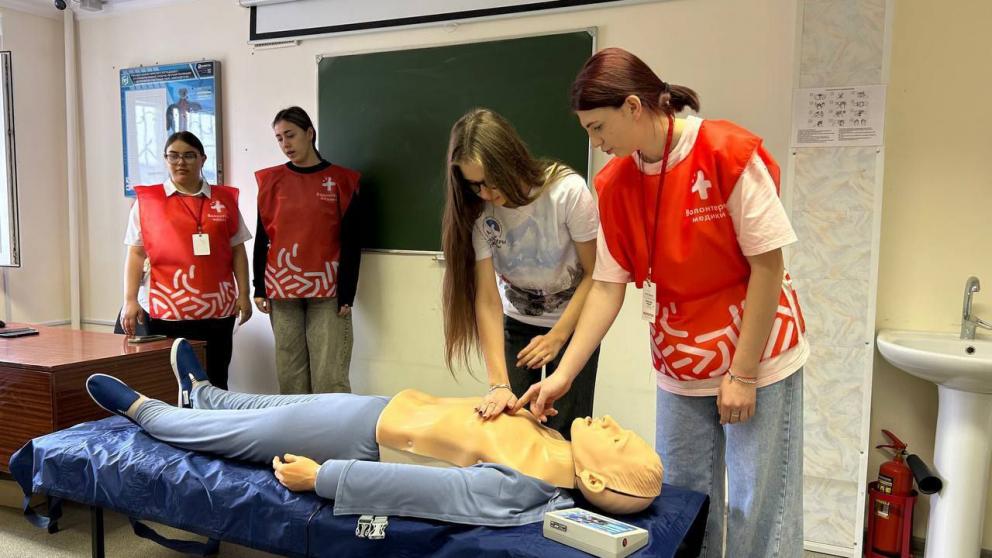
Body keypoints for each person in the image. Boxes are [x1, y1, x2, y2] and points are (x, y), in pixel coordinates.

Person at [512, 48, 808, 556]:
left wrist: (742, 374)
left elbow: (768, 266)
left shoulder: (727, 153)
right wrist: (562, 375)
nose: (596, 144)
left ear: (633, 107)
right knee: (685, 500)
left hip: (756, 352)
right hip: (681, 359)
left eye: (598, 128)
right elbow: (607, 286)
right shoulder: (616, 184)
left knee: (758, 501)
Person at [82, 339, 663, 526]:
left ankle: (148, 412)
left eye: (617, 439)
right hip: (385, 408)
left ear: (592, 478)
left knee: (241, 433)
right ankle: (206, 394)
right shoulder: (554, 445)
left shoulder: (527, 488)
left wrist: (324, 477)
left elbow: (430, 495)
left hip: (361, 439)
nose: (611, 422)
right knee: (278, 404)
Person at [441, 108, 600, 438]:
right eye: (474, 185)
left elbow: (594, 275)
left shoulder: (567, 192)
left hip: (573, 324)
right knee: (507, 424)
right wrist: (498, 383)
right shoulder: (479, 212)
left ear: (509, 159)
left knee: (563, 432)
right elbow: (487, 299)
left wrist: (558, 337)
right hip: (516, 322)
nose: (485, 193)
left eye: (490, 180)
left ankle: (558, 492)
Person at [121, 131, 252, 388]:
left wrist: (244, 294)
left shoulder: (223, 200)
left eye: (189, 156)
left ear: (202, 159)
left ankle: (215, 428)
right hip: (166, 311)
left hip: (217, 310)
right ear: (165, 160)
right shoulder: (148, 201)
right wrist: (130, 299)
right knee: (171, 385)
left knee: (216, 380)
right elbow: (136, 253)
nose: (181, 162)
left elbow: (237, 250)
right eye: (174, 156)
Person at [253, 106, 361, 394]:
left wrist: (347, 291)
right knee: (290, 375)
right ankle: (297, 439)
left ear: (309, 133)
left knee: (329, 376)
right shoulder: (270, 181)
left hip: (328, 291)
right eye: (279, 138)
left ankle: (334, 437)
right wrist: (258, 288)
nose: (285, 144)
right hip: (281, 289)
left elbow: (351, 241)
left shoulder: (342, 181)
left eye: (290, 135)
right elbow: (263, 236)